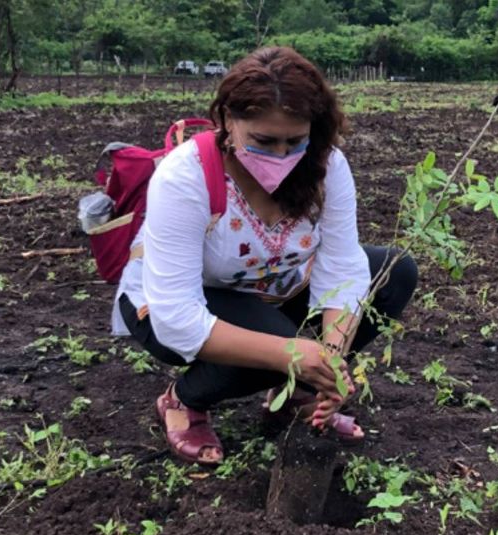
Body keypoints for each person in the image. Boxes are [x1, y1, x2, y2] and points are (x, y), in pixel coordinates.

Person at [111, 47, 417, 465]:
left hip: (273, 289)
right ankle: (183, 400)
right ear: (226, 122)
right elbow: (176, 316)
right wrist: (292, 355)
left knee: (393, 272)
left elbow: (342, 267)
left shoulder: (326, 166)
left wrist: (329, 358)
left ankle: (293, 393)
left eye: (295, 141)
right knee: (281, 346)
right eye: (263, 141)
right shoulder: (186, 176)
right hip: (173, 303)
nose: (280, 156)